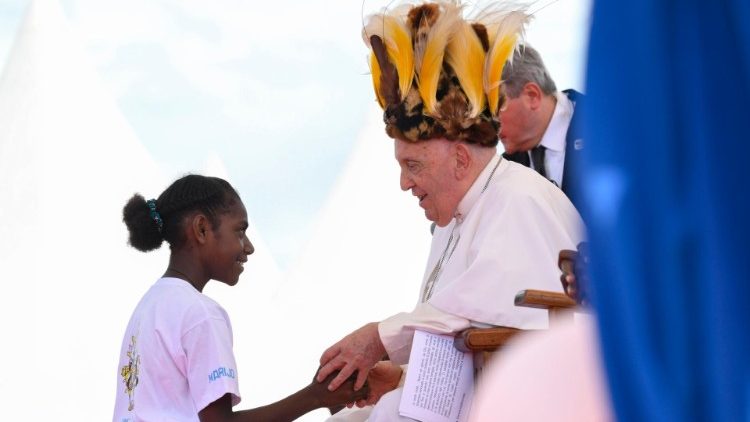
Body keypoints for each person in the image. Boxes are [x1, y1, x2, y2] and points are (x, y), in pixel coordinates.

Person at [316, 2, 585, 420]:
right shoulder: (456, 218)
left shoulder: (519, 201)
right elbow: (469, 331)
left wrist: (382, 337)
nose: (404, 183)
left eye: (414, 166)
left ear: (460, 159)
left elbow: (504, 329)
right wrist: (404, 376)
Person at [113, 174, 367, 422]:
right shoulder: (200, 313)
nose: (249, 247)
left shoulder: (148, 306)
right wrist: (316, 396)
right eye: (240, 231)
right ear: (201, 229)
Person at [499, 44, 585, 208]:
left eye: (496, 107)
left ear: (532, 96)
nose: (489, 120)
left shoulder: (605, 129)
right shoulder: (502, 169)